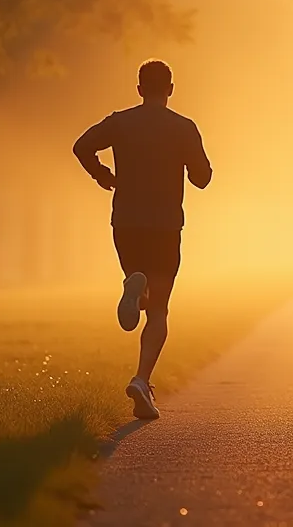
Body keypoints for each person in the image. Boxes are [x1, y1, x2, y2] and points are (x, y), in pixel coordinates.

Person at [72, 59, 212, 420]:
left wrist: (103, 174)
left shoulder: (120, 122)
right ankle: (141, 379)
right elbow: (202, 178)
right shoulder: (183, 127)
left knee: (141, 283)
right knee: (159, 310)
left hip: (126, 223)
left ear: (139, 89)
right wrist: (189, 163)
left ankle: (135, 287)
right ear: (170, 89)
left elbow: (81, 146)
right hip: (164, 226)